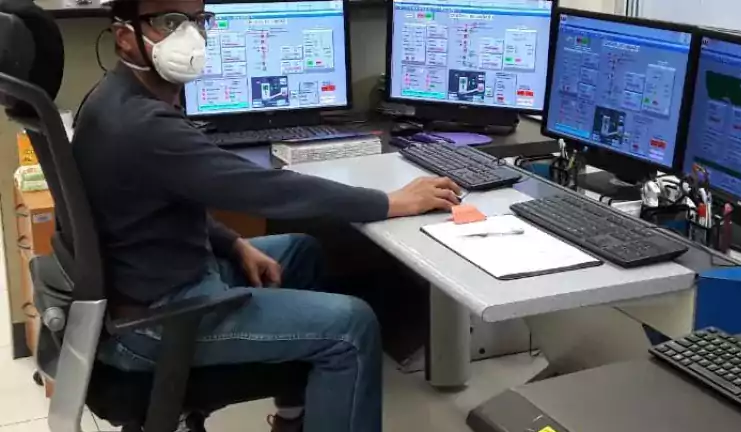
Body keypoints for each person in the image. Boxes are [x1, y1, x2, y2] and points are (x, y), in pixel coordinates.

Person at [72, 0, 461, 431]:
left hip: (155, 283)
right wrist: (389, 202)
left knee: (301, 251)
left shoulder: (114, 96)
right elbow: (262, 189)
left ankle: (292, 419)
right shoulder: (143, 124)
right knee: (352, 326)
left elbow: (157, 203)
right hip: (158, 322)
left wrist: (233, 243)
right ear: (125, 36)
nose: (191, 34)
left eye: (198, 20)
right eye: (170, 22)